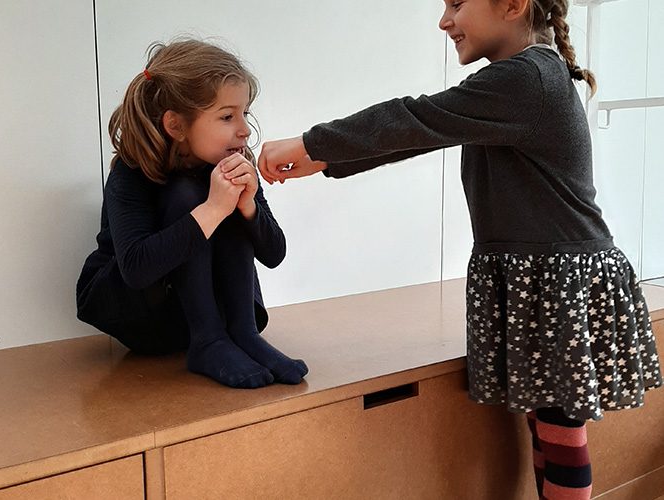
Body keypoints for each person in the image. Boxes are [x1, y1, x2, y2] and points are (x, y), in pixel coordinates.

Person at [257, 0, 661, 497]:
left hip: (557, 277)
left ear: (512, 5)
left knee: (560, 434)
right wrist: (325, 159)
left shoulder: (526, 78)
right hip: (544, 272)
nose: (444, 21)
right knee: (550, 427)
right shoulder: (524, 78)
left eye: (457, 3)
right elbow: (422, 133)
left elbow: (413, 118)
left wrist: (309, 143)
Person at [76, 39, 308, 389]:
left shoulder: (234, 163)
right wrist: (213, 209)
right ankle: (208, 341)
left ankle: (243, 334)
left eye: (244, 114)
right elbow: (136, 270)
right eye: (227, 116)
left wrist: (246, 207)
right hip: (143, 316)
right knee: (189, 193)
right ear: (176, 126)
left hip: (222, 314)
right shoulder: (131, 172)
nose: (244, 129)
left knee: (228, 189)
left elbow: (274, 254)